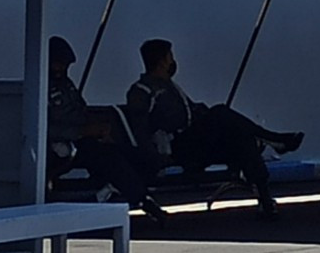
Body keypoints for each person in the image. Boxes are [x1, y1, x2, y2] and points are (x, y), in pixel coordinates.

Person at [124, 37, 304, 221]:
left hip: (196, 143)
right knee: (220, 112)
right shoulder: (142, 91)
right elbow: (140, 131)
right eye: (170, 56)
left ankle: (265, 198)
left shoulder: (170, 86)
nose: (173, 61)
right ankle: (272, 139)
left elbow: (190, 112)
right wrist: (157, 159)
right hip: (179, 148)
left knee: (241, 138)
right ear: (161, 61)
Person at [47, 36, 155, 217]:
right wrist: (81, 132)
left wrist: (98, 127)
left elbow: (81, 110)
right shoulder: (39, 88)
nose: (62, 69)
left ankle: (125, 191)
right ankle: (140, 199)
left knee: (128, 153)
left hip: (83, 140)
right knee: (105, 155)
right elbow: (43, 127)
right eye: (58, 64)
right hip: (60, 147)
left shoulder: (67, 85)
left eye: (65, 65)